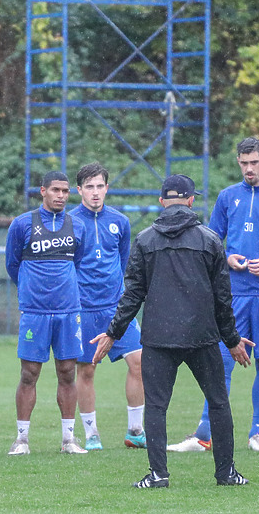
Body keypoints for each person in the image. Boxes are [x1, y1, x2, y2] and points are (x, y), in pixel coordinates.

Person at [92, 174, 252, 489]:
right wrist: (231, 340)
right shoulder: (209, 240)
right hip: (201, 337)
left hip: (159, 338)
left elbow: (132, 295)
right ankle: (226, 473)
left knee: (156, 406)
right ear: (191, 200)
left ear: (162, 201)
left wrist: (113, 333)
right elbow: (223, 300)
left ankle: (158, 475)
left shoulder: (145, 240)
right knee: (218, 401)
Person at [170, 137, 259, 453]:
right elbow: (211, 240)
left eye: (254, 162)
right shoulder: (228, 197)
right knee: (221, 363)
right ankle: (204, 435)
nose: (249, 169)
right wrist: (226, 257)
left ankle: (257, 433)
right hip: (235, 295)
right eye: (244, 163)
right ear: (238, 162)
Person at [5, 171, 89, 455]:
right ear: (43, 191)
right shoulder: (22, 224)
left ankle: (69, 440)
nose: (61, 196)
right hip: (35, 312)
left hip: (68, 311)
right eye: (55, 190)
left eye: (65, 191)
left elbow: (78, 261)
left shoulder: (77, 225)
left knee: (68, 372)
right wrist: (32, 289)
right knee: (29, 373)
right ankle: (21, 439)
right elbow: (12, 264)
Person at [68, 162, 145, 451]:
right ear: (79, 190)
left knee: (138, 362)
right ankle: (91, 434)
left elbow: (124, 261)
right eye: (89, 187)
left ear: (107, 188)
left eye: (100, 186)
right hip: (84, 308)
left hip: (117, 307)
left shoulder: (120, 222)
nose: (95, 192)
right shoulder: (70, 221)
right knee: (87, 370)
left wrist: (124, 299)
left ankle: (136, 430)